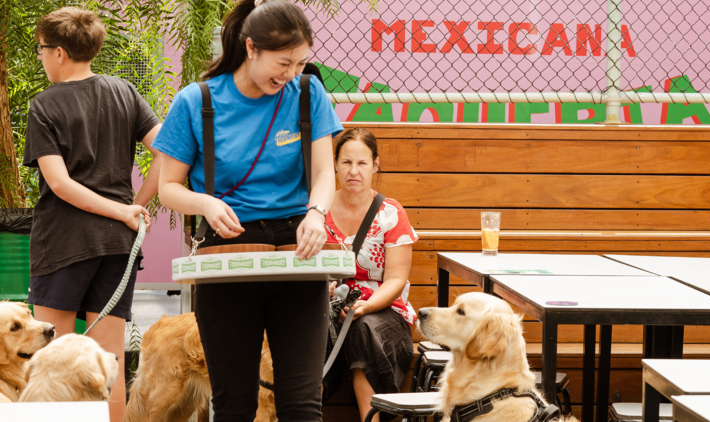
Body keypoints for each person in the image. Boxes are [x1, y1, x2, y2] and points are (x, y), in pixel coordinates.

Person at [153, 0, 342, 420]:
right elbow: (168, 188)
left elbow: (325, 174)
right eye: (283, 62)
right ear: (251, 47)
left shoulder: (308, 94)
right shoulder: (196, 101)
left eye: (300, 63)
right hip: (228, 251)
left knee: (302, 401)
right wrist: (205, 203)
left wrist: (316, 212)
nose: (291, 74)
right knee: (234, 400)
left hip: (298, 251)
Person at [21, 7, 162, 422]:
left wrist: (126, 209)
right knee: (108, 359)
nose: (42, 58)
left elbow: (61, 185)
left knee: (52, 355)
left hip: (63, 243)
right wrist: (135, 204)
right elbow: (168, 150)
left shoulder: (44, 106)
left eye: (42, 51)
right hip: (117, 246)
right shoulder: (125, 92)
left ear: (60, 52)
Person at [323, 128, 418, 422]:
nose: (354, 171)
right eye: (346, 163)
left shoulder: (390, 213)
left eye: (362, 163)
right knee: (307, 326)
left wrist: (367, 305)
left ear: (375, 165)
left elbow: (396, 279)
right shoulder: (318, 210)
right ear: (335, 164)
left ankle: (371, 418)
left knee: (363, 327)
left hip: (384, 311)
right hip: (328, 309)